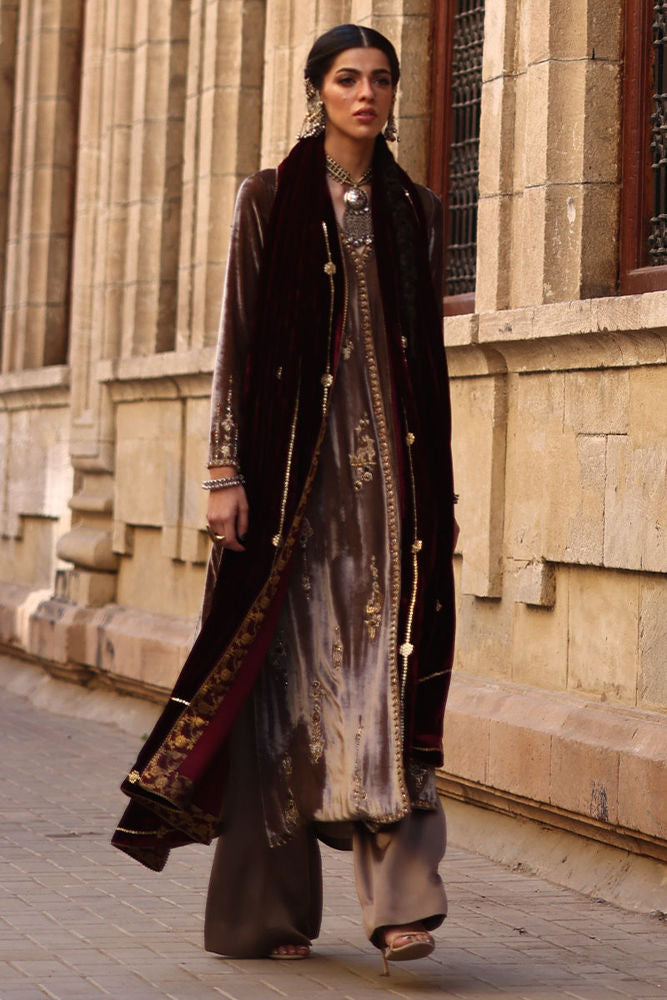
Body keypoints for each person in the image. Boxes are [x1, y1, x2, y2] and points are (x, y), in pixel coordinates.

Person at [112, 23, 458, 975]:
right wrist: (224, 473)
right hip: (291, 489)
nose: (366, 93)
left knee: (386, 674)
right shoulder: (269, 197)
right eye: (347, 78)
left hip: (390, 497)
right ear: (318, 91)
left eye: (380, 79)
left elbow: (424, 363)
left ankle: (400, 904)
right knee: (279, 685)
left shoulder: (418, 210)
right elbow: (237, 338)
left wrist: (437, 499)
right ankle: (266, 911)